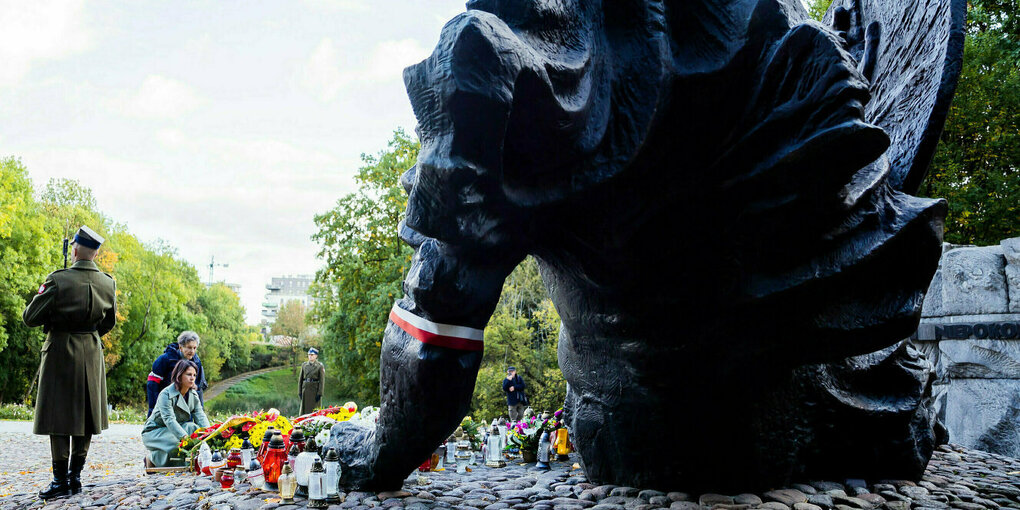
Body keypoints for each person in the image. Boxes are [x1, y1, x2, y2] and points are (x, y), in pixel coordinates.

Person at [22, 226, 117, 500]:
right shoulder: (108, 283)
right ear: (96, 253)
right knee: (86, 415)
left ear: (74, 250)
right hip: (92, 350)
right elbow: (107, 322)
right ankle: (75, 478)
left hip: (61, 350)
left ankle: (59, 480)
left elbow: (31, 317)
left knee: (59, 415)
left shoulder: (58, 280)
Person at [142, 360, 211, 467]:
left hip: (176, 429)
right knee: (179, 445)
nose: (192, 378)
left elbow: (200, 415)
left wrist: (210, 433)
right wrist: (186, 439)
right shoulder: (166, 394)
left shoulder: (193, 395)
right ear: (179, 375)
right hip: (155, 432)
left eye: (194, 375)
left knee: (193, 428)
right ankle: (152, 459)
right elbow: (169, 420)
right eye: (188, 374)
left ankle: (193, 461)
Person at [146, 331, 207, 417]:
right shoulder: (165, 359)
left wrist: (200, 411)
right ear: (180, 347)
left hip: (185, 402)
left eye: (194, 348)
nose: (192, 351)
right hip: (166, 398)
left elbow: (199, 386)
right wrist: (155, 407)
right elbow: (152, 384)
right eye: (189, 347)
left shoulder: (196, 362)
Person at [299, 348, 325, 415]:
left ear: (316, 356)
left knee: (314, 410)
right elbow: (300, 380)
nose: (310, 356)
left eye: (312, 355)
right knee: (304, 410)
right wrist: (300, 392)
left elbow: (322, 381)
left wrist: (320, 393)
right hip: (305, 389)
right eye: (309, 355)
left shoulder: (319, 366)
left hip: (314, 390)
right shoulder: (304, 365)